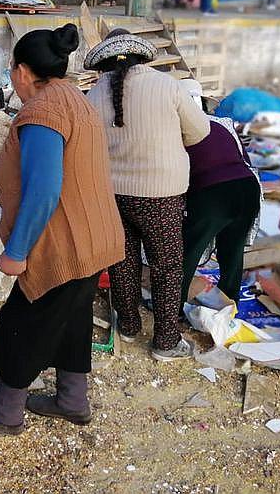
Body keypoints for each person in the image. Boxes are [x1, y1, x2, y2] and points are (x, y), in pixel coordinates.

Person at [0, 24, 125, 434]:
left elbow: (44, 191)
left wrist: (16, 252)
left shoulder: (42, 113)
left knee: (23, 326)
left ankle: (5, 413)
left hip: (65, 243)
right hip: (95, 237)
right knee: (70, 320)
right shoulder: (71, 96)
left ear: (20, 71)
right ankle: (72, 400)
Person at [86, 29, 209, 361]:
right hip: (161, 195)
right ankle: (166, 342)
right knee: (167, 265)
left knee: (122, 260)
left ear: (106, 62)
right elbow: (201, 131)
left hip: (112, 193)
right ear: (141, 56)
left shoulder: (93, 94)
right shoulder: (169, 86)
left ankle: (127, 325)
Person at [179, 80, 261, 305]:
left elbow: (176, 173)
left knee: (188, 254)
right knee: (232, 252)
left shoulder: (178, 128)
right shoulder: (223, 124)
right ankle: (229, 306)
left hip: (213, 193)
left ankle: (172, 310)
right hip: (248, 188)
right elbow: (245, 159)